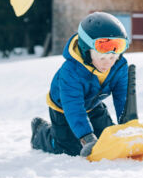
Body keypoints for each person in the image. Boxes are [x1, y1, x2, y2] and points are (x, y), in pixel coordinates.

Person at [30, 12, 131, 157]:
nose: (108, 63)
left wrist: (127, 126)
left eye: (113, 57)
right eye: (102, 58)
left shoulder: (119, 66)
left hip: (93, 105)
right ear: (86, 49)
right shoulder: (71, 72)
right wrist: (87, 138)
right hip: (64, 108)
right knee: (71, 149)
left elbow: (123, 98)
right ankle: (41, 132)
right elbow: (73, 107)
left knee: (109, 139)